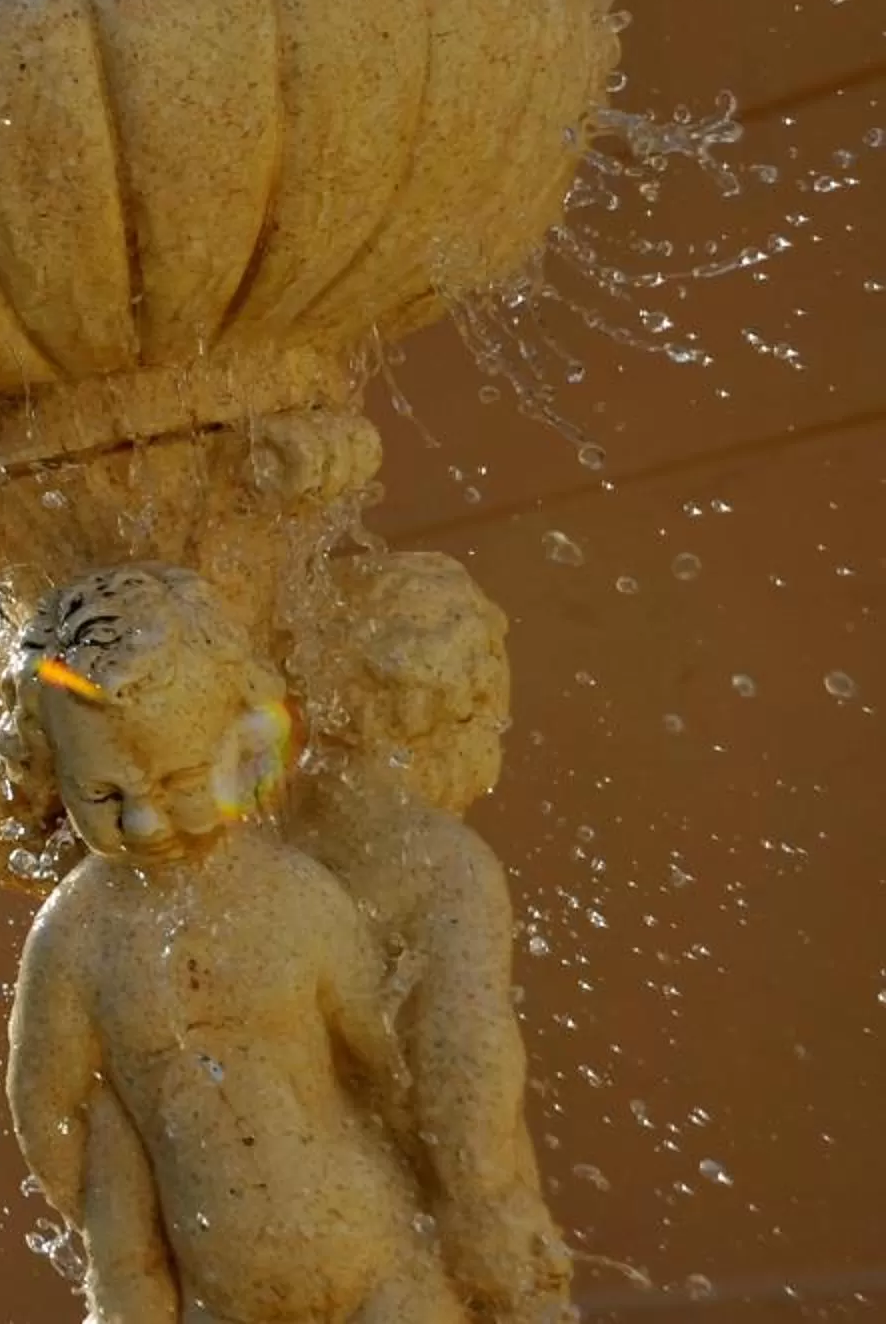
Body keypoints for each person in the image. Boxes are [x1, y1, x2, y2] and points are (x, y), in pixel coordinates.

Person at [7, 564, 463, 1324]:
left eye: (180, 782)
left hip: (380, 1264)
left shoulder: (295, 894)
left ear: (242, 739)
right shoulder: (75, 938)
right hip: (216, 1299)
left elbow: (385, 1066)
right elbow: (52, 1117)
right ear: (55, 772)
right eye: (105, 797)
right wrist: (129, 1255)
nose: (146, 825)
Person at [287, 553, 572, 1324]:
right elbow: (463, 1052)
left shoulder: (277, 844)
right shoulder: (443, 861)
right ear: (453, 702)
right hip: (401, 1216)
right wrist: (486, 1206)